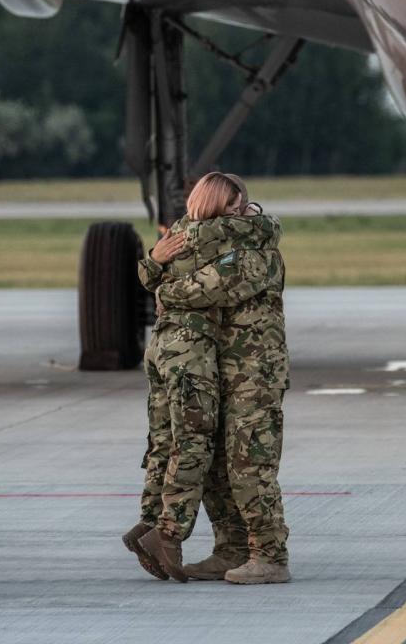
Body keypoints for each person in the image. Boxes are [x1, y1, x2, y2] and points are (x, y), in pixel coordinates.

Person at [137, 172, 292, 585]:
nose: (240, 215)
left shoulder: (255, 251)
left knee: (250, 464)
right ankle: (232, 549)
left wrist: (163, 286)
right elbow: (163, 274)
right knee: (216, 468)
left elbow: (211, 288)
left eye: (242, 207)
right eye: (231, 208)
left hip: (253, 375)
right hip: (218, 369)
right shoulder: (212, 246)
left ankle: (270, 554)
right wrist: (156, 259)